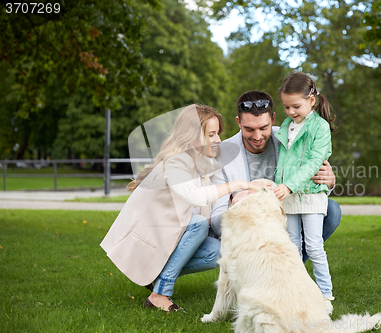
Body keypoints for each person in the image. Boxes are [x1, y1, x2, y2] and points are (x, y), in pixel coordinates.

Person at [100, 105, 265, 313]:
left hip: (170, 237)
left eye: (218, 134)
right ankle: (159, 295)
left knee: (218, 250)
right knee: (197, 224)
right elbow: (196, 197)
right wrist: (237, 184)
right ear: (192, 136)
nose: (218, 140)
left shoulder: (201, 162)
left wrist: (245, 194)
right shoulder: (176, 162)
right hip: (150, 239)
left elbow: (216, 194)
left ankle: (156, 277)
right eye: (211, 134)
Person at [210, 90, 342, 313]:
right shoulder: (224, 154)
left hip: (284, 217)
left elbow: (310, 173)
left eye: (263, 128)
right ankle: (261, 275)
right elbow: (215, 220)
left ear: (273, 119)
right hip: (247, 231)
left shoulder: (291, 136)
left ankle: (291, 278)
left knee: (331, 210)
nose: (258, 136)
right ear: (238, 122)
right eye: (249, 129)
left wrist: (328, 181)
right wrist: (239, 204)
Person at [273, 71, 336, 314]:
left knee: (313, 246)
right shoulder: (287, 126)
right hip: (288, 198)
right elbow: (284, 160)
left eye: (295, 106)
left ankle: (325, 295)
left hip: (310, 195)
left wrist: (288, 185)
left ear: (312, 101)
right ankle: (295, 292)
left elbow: (312, 163)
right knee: (292, 248)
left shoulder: (320, 128)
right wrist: (280, 184)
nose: (290, 112)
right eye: (286, 107)